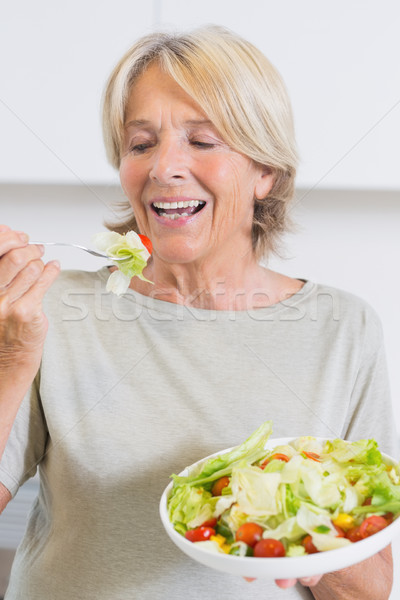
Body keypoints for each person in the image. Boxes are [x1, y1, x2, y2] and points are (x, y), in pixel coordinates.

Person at [0, 25, 397, 600]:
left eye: (203, 141)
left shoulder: (346, 329)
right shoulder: (50, 309)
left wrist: (303, 527)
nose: (164, 167)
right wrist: (10, 357)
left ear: (266, 172)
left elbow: (369, 590)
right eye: (141, 144)